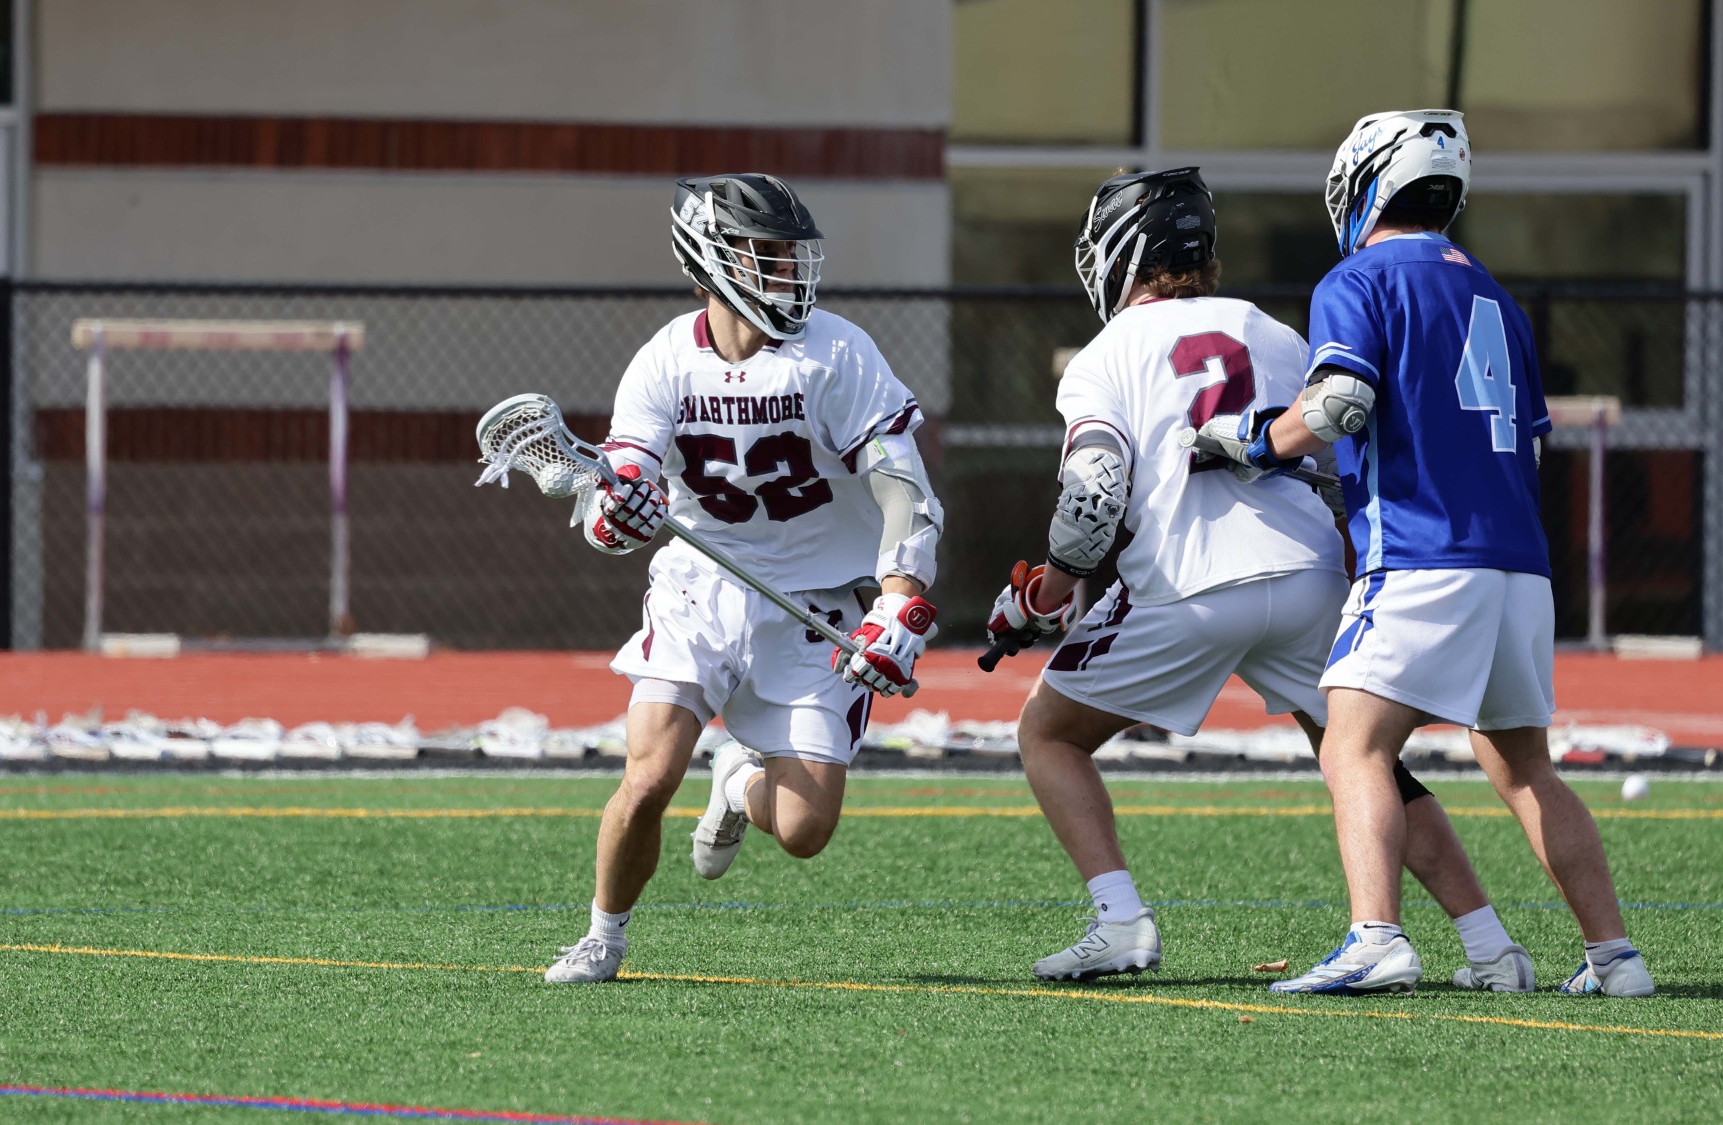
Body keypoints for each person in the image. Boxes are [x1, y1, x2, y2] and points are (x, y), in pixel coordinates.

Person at [989, 167, 1532, 992]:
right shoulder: (1277, 332)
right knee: (1366, 756)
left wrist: (1051, 590)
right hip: (1312, 573)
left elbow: (1094, 496)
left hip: (1190, 585)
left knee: (1048, 734)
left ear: (1116, 254)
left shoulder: (1107, 354)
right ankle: (1490, 945)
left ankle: (1121, 918)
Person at [1204, 110, 1652, 996]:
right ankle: (1615, 956)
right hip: (1517, 560)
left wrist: (1251, 440)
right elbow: (1518, 443)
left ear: (1363, 183)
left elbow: (1337, 406)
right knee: (1523, 764)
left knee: (1351, 743)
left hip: (1423, 552)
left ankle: (1376, 937)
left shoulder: (1358, 277)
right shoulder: (1495, 294)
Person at [544, 173, 946, 983]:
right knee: (650, 775)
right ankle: (602, 934)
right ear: (706, 260)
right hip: (699, 584)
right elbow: (620, 488)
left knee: (803, 829)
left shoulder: (836, 351)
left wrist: (900, 597)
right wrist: (608, 518)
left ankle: (735, 779)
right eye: (763, 255)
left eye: (792, 256)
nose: (787, 274)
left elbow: (902, 483)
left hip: (813, 600)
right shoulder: (664, 359)